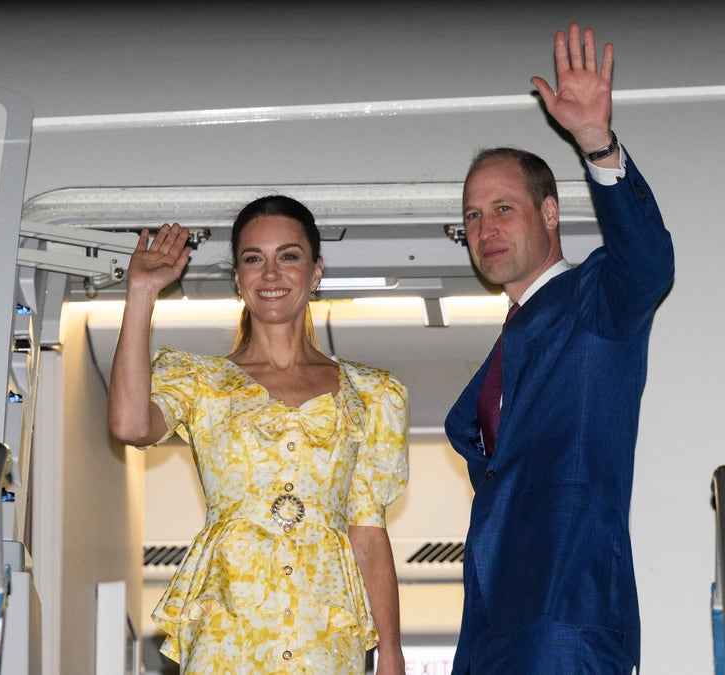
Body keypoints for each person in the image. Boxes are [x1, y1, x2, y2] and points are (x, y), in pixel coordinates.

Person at [444, 24, 675, 674]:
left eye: (503, 208)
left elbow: (648, 259)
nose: (485, 229)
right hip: (492, 635)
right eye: (471, 217)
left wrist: (598, 144)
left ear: (549, 214)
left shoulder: (594, 304)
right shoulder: (500, 354)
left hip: (566, 622)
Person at [108, 195, 409, 674]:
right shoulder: (199, 380)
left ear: (315, 273)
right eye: (254, 259)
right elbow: (129, 424)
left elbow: (368, 533)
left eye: (288, 256)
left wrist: (390, 652)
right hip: (229, 630)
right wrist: (141, 291)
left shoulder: (372, 393)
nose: (271, 274)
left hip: (325, 634)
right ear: (238, 278)